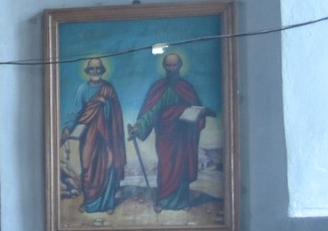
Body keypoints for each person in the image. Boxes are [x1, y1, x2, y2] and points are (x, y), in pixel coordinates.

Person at [130, 51, 216, 212]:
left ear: (180, 66)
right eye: (168, 65)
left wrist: (198, 114)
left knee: (181, 167)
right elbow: (150, 113)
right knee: (167, 166)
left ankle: (182, 202)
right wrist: (138, 127)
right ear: (164, 67)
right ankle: (164, 201)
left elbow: (196, 108)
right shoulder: (158, 88)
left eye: (174, 65)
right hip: (165, 136)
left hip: (183, 136)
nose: (171, 68)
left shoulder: (187, 88)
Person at [65, 57, 126, 214]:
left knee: (108, 166)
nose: (95, 71)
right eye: (91, 69)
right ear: (87, 71)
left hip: (108, 136)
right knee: (88, 167)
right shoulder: (83, 89)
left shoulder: (108, 88)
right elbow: (76, 111)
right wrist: (68, 128)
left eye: (98, 68)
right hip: (89, 136)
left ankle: (108, 203)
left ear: (102, 70)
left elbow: (117, 110)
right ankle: (90, 203)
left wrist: (104, 102)